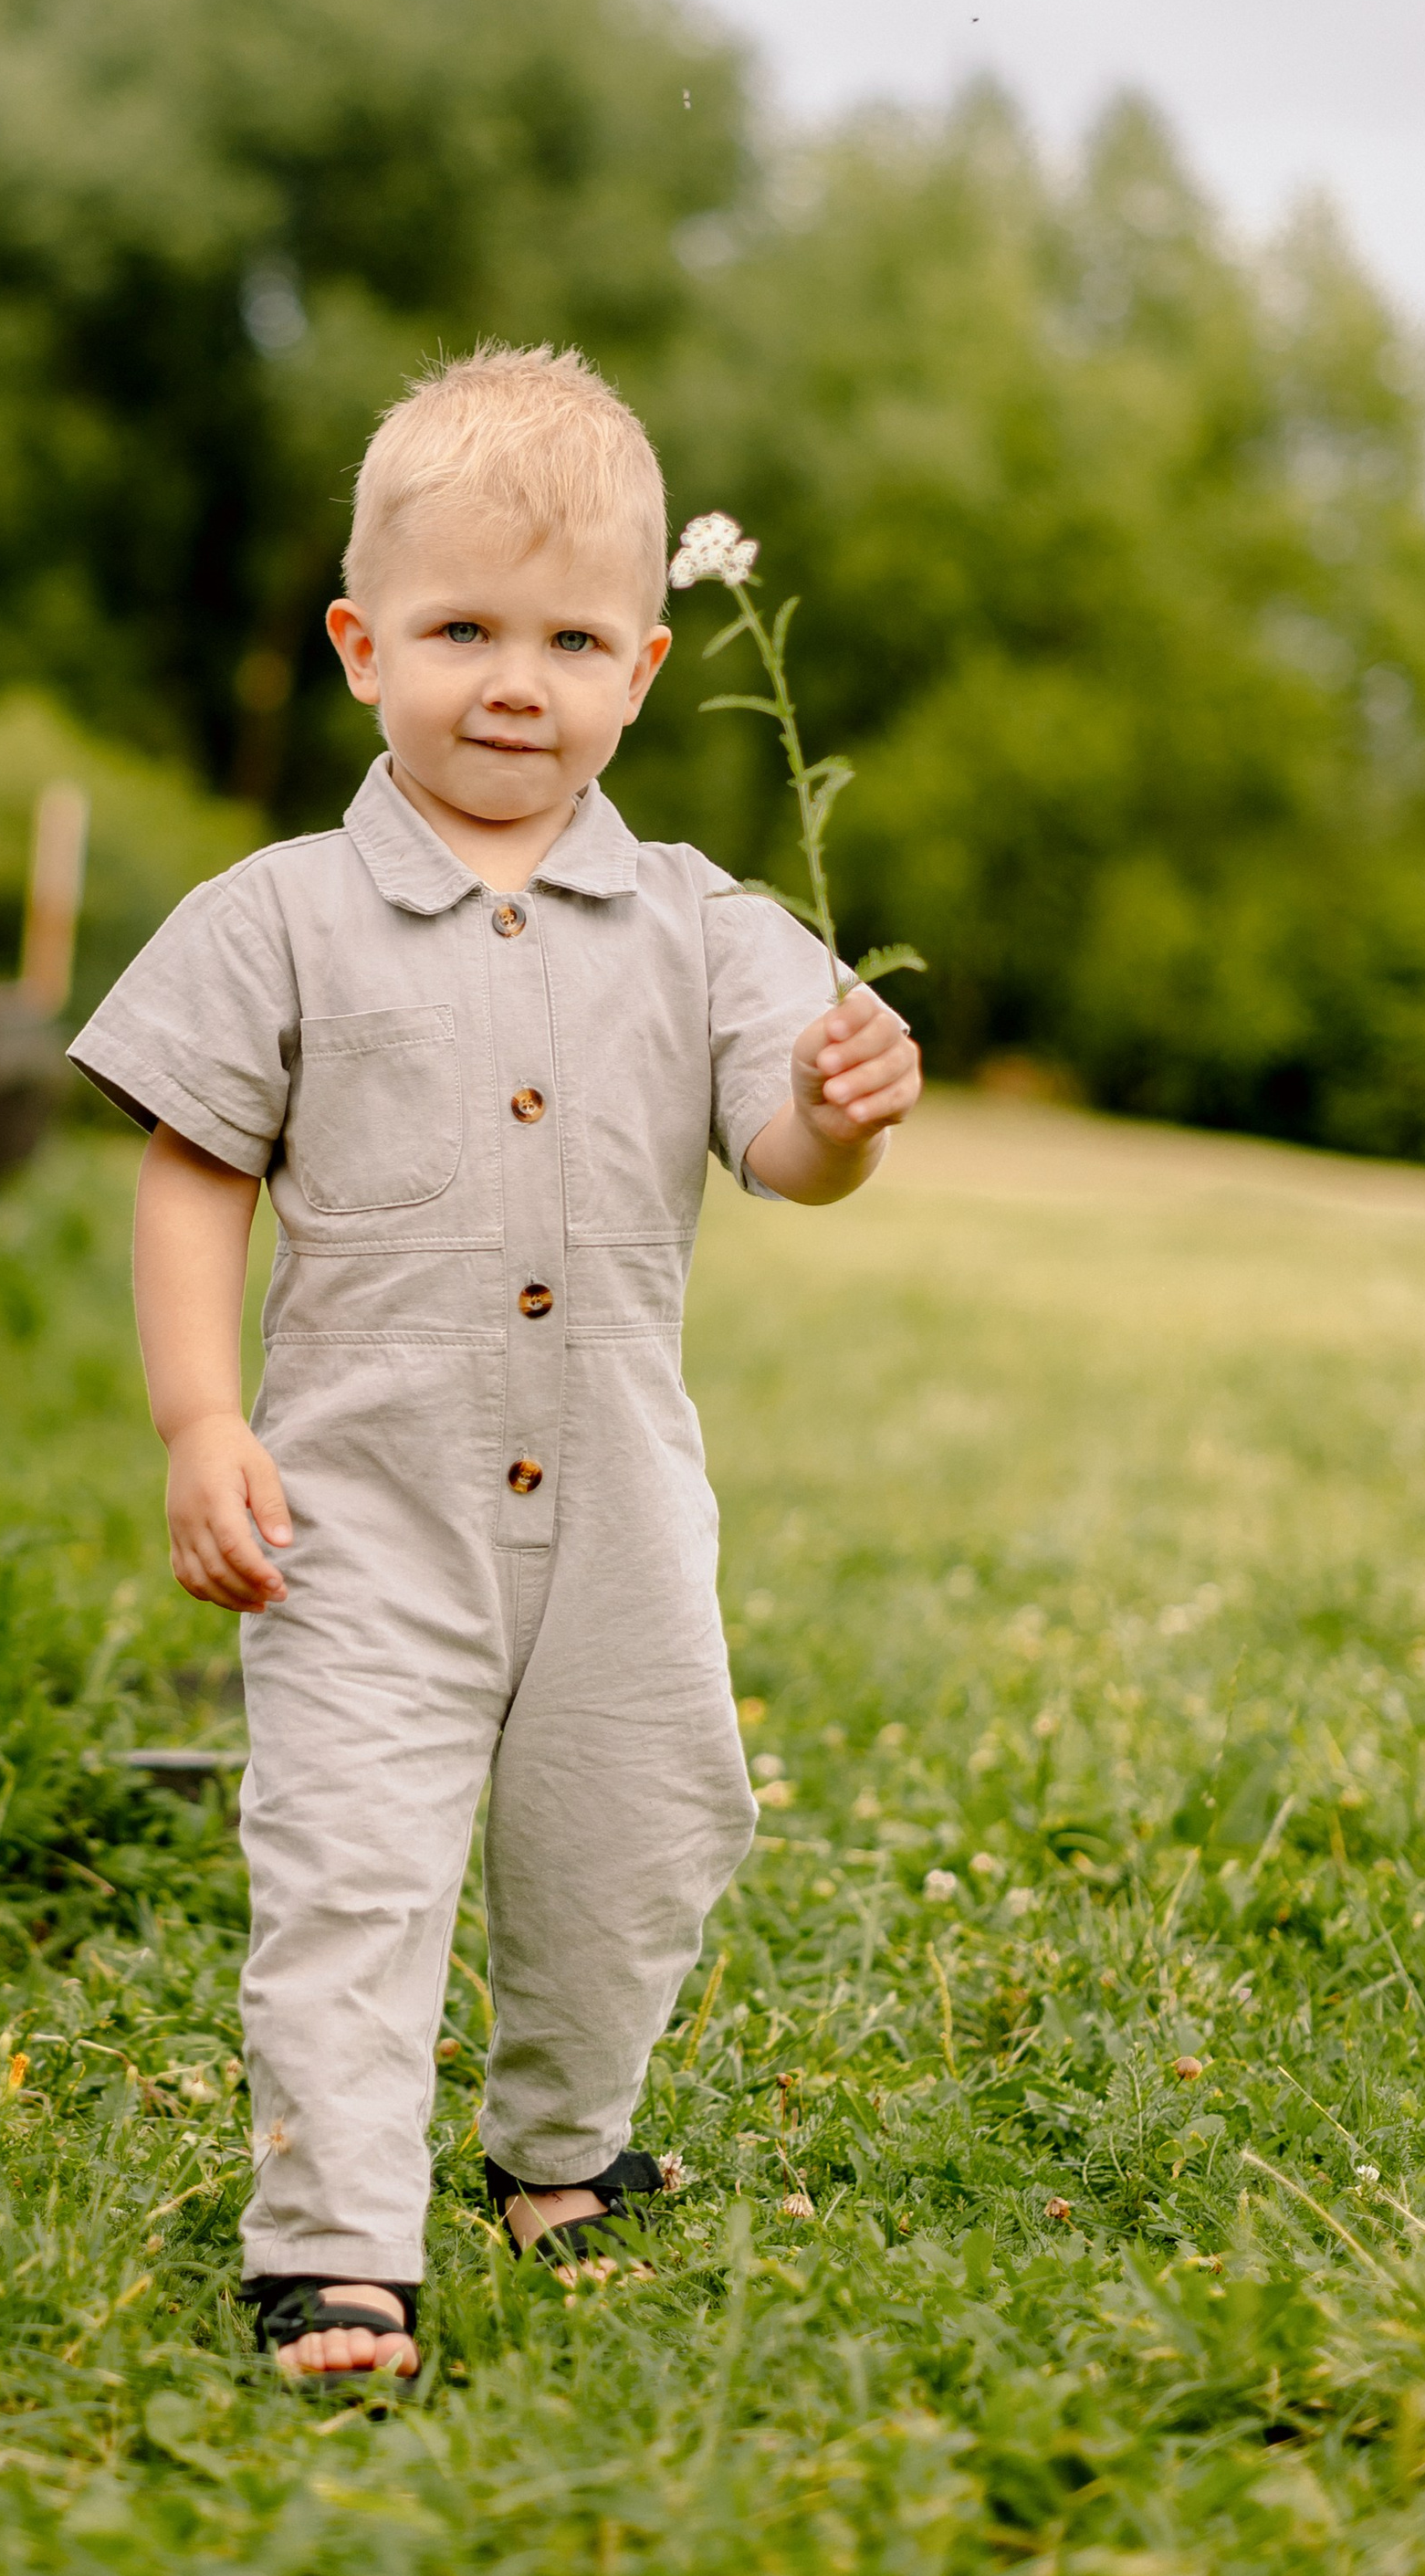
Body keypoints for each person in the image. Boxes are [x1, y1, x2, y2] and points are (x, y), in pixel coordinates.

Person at [68, 345, 921, 2384]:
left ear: (639, 665)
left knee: (633, 1837)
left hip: (619, 1518)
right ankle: (337, 2242)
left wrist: (846, 1110)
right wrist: (199, 1417)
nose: (510, 680)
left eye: (564, 639)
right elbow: (193, 1175)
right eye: (458, 629)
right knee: (350, 1864)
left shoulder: (705, 928)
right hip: (364, 1514)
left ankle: (561, 2145)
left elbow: (788, 1161)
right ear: (364, 646)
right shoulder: (273, 917)